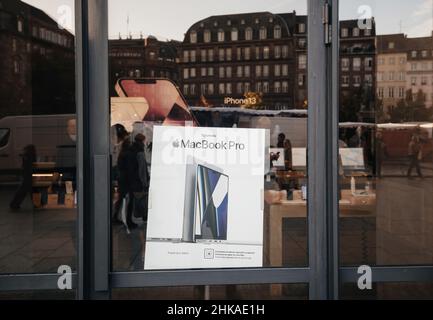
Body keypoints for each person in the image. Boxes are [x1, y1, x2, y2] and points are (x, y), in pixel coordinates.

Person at [126, 134, 150, 229]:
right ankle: (141, 218)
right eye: (144, 140)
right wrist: (144, 183)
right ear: (142, 141)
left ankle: (130, 220)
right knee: (140, 199)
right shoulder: (140, 151)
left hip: (132, 179)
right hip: (137, 180)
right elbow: (142, 170)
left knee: (133, 201)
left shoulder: (132, 149)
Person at [10, 145, 37, 210]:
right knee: (31, 191)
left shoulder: (26, 156)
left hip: (26, 176)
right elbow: (31, 166)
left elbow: (25, 166)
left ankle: (14, 204)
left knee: (23, 191)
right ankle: (37, 203)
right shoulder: (31, 156)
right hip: (29, 176)